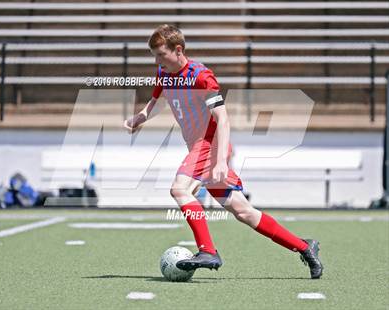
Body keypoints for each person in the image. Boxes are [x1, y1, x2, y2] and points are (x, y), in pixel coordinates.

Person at [124, 24, 323, 279]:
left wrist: (220, 160)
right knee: (244, 212)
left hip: (208, 145)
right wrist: (140, 117)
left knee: (179, 189)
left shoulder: (201, 76)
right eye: (155, 56)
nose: (157, 60)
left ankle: (207, 250)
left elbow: (223, 119)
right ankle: (306, 248)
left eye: (161, 54)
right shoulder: (164, 72)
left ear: (178, 50)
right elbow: (156, 99)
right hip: (199, 149)